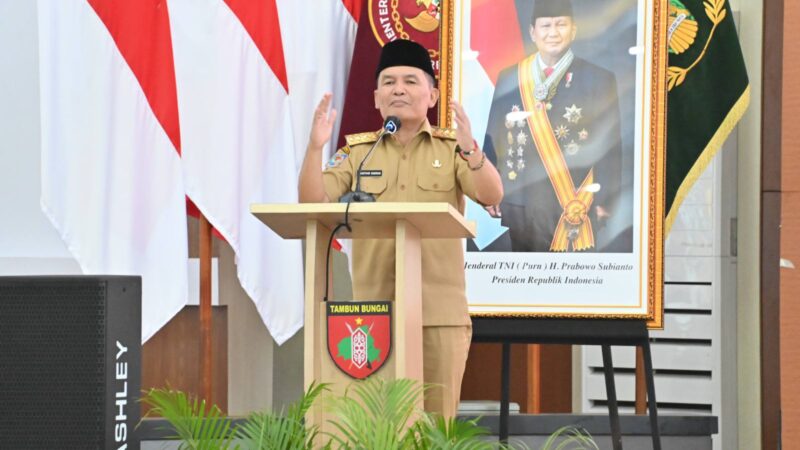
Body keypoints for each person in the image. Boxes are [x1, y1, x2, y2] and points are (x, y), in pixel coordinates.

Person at [298, 39, 503, 418]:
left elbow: (491, 192)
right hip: (372, 315)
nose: (399, 89)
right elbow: (313, 201)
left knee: (436, 426)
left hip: (438, 314)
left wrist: (471, 148)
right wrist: (314, 148)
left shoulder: (450, 149)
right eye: (389, 82)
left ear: (432, 94)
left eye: (410, 81)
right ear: (376, 97)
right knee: (378, 427)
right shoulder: (360, 153)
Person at [482, 0, 630, 253]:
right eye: (546, 25)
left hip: (576, 204)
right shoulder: (510, 77)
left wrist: (606, 199)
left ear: (573, 30)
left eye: (561, 25)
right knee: (523, 285)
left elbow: (611, 145)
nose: (553, 32)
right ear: (533, 32)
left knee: (575, 286)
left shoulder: (599, 78)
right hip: (522, 203)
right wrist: (489, 190)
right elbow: (493, 136)